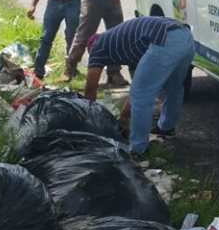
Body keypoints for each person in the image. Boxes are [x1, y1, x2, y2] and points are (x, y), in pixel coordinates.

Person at [83, 16, 194, 158]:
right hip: (185, 36)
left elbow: (91, 87)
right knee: (173, 87)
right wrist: (123, 118)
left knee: (142, 97)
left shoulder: (97, 46)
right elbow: (138, 83)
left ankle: (138, 149)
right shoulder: (125, 43)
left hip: (164, 39)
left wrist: (88, 120)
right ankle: (166, 128)